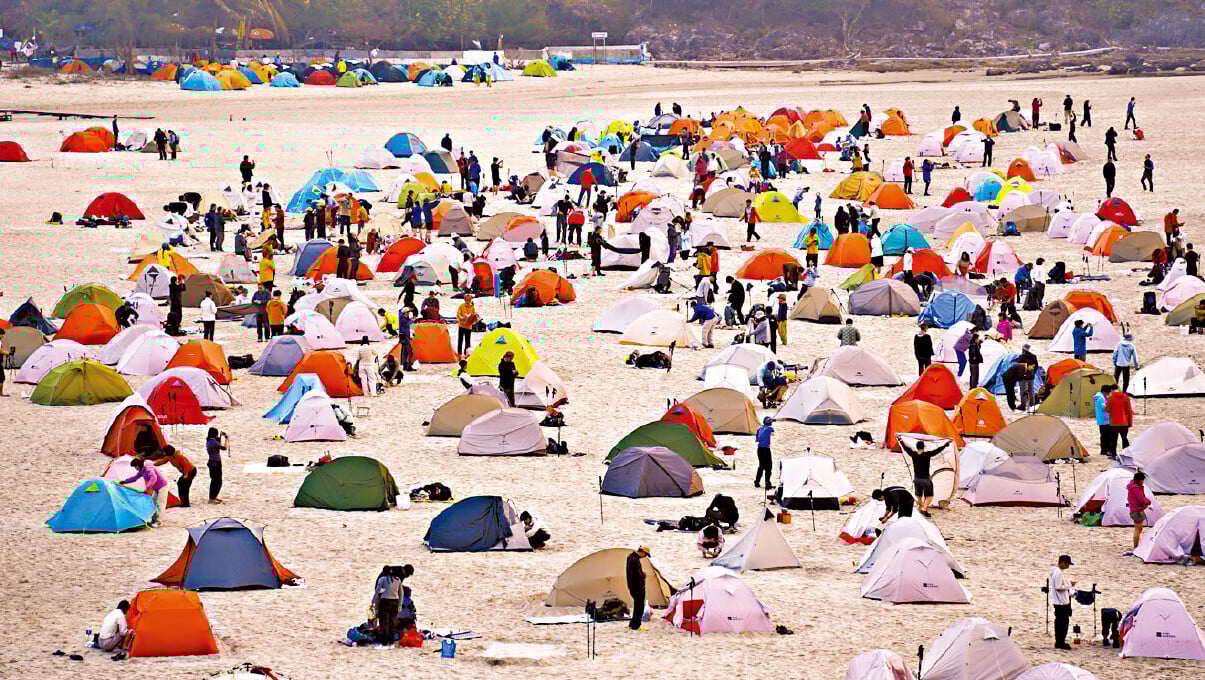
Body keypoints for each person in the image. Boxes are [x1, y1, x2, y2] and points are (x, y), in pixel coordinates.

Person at [901, 439, 949, 516]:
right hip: (925, 479)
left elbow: (906, 448)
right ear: (924, 447)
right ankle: (924, 509)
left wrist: (901, 441)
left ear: (916, 447)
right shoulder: (927, 454)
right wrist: (945, 445)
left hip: (916, 479)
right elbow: (937, 451)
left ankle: (921, 507)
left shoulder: (913, 454)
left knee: (919, 495)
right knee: (930, 495)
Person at [119, 457, 168, 527]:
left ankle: (159, 522)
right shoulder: (141, 470)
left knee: (160, 504)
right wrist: (125, 481)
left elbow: (154, 477)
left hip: (163, 486)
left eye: (135, 466)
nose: (135, 468)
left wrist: (147, 488)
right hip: (156, 488)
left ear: (138, 465)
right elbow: (135, 478)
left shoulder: (148, 468)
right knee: (153, 503)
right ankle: (153, 520)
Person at [1049, 555, 1075, 650]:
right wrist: (1069, 584)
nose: (1068, 566)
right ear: (1063, 562)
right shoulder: (1058, 572)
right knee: (1063, 623)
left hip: (1058, 602)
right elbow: (1058, 587)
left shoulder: (1054, 571)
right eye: (1067, 564)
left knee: (1059, 622)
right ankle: (1061, 642)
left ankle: (1059, 641)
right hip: (1061, 603)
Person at [1123, 471, 1153, 554]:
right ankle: (1136, 547)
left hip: (1135, 509)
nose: (1143, 482)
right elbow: (1142, 499)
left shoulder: (1132, 486)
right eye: (1142, 480)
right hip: (1137, 511)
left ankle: (1137, 546)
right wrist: (1149, 502)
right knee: (1137, 529)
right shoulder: (1136, 488)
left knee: (1139, 528)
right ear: (1138, 480)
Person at [373, 566, 402, 645]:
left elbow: (377, 591)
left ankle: (385, 641)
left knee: (384, 622)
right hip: (395, 602)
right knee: (392, 621)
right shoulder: (397, 580)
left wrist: (373, 602)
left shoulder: (382, 579)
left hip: (385, 602)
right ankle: (391, 640)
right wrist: (400, 604)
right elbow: (401, 593)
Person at [626, 546, 650, 631]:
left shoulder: (630, 557)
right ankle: (637, 625)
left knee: (637, 605)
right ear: (642, 552)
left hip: (631, 586)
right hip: (637, 587)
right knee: (640, 606)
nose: (645, 556)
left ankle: (632, 623)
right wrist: (643, 575)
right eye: (646, 554)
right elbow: (637, 575)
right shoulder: (635, 561)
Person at [1108, 383, 1133, 452]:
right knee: (1124, 438)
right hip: (1124, 422)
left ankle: (1113, 453)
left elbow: (1107, 409)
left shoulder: (1110, 397)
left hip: (1114, 422)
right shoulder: (1126, 397)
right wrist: (1130, 423)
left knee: (1113, 439)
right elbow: (1129, 411)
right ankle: (1126, 452)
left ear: (1111, 390)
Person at [205, 427, 228, 504]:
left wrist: (220, 436)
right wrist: (226, 438)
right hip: (216, 463)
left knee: (214, 481)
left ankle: (213, 496)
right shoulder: (213, 442)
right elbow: (224, 447)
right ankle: (212, 498)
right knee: (218, 481)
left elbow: (217, 445)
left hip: (212, 462)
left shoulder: (209, 441)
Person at [1016, 344, 1039, 411]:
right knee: (1031, 390)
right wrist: (1033, 373)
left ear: (1023, 349)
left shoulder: (1021, 357)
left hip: (1023, 376)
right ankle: (1032, 404)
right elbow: (1036, 366)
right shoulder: (1033, 356)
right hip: (1031, 375)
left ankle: (1023, 405)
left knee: (1023, 391)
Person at [1094, 384, 1114, 458]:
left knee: (1103, 436)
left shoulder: (1098, 396)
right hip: (1105, 420)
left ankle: (1103, 450)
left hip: (1101, 419)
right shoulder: (1101, 397)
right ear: (1104, 391)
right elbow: (1104, 407)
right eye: (1107, 392)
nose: (1108, 394)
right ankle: (1108, 450)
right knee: (1108, 436)